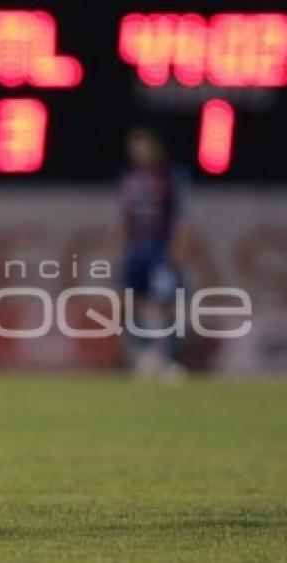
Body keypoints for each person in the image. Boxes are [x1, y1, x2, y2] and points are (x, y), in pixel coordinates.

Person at [112, 126, 191, 379]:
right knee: (129, 300)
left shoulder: (170, 176)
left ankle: (169, 357)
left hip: (160, 249)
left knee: (165, 302)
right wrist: (119, 246)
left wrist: (177, 247)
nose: (137, 151)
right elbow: (124, 217)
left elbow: (180, 216)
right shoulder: (129, 177)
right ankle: (145, 352)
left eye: (142, 146)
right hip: (137, 250)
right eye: (134, 147)